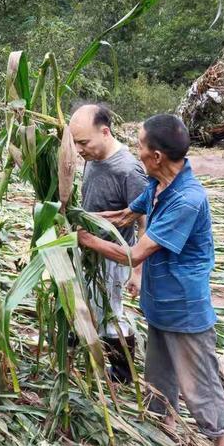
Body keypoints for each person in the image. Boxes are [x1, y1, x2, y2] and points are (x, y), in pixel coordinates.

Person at [77, 114, 224, 446]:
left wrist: (85, 239)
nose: (136, 152)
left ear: (157, 156)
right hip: (159, 303)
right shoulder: (157, 186)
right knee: (158, 378)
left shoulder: (187, 199)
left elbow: (133, 254)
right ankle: (163, 434)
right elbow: (123, 217)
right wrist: (78, 216)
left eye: (140, 146)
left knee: (198, 385)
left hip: (184, 307)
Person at [69, 103, 147, 383]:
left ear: (105, 132)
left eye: (83, 142)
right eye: (75, 142)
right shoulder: (93, 158)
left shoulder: (128, 169)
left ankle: (123, 373)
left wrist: (137, 271)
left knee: (111, 312)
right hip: (89, 249)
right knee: (89, 302)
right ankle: (81, 345)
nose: (79, 149)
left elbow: (143, 218)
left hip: (113, 256)